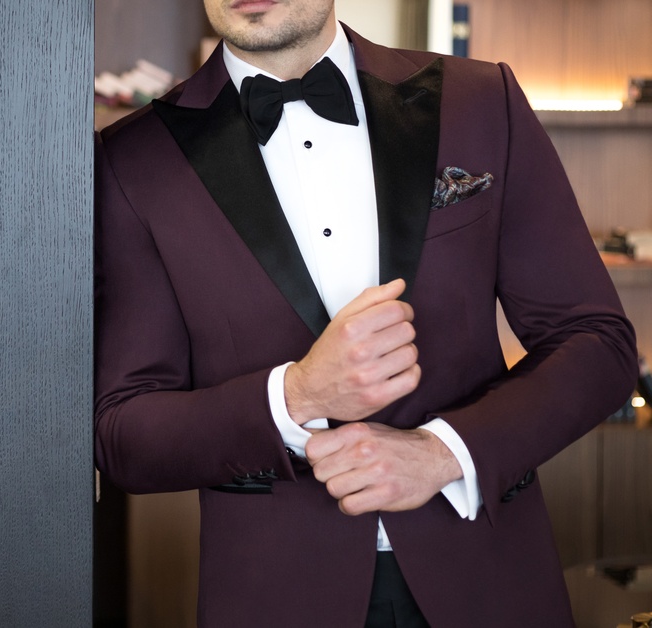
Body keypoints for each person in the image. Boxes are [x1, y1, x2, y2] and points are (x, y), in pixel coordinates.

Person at [93, 1, 638, 625]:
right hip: (275, 597)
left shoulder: (483, 101)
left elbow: (597, 343)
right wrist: (295, 396)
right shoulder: (132, 158)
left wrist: (444, 453)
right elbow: (123, 434)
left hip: (489, 580)